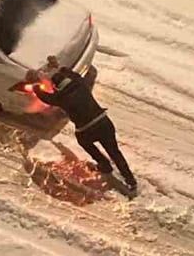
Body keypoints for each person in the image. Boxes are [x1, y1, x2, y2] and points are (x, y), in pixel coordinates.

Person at [31, 64, 137, 192]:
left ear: (56, 87)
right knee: (114, 152)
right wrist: (61, 68)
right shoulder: (80, 84)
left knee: (83, 141)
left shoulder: (60, 97)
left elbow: (45, 97)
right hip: (104, 123)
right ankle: (130, 180)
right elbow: (74, 74)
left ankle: (104, 165)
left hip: (87, 129)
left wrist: (35, 86)